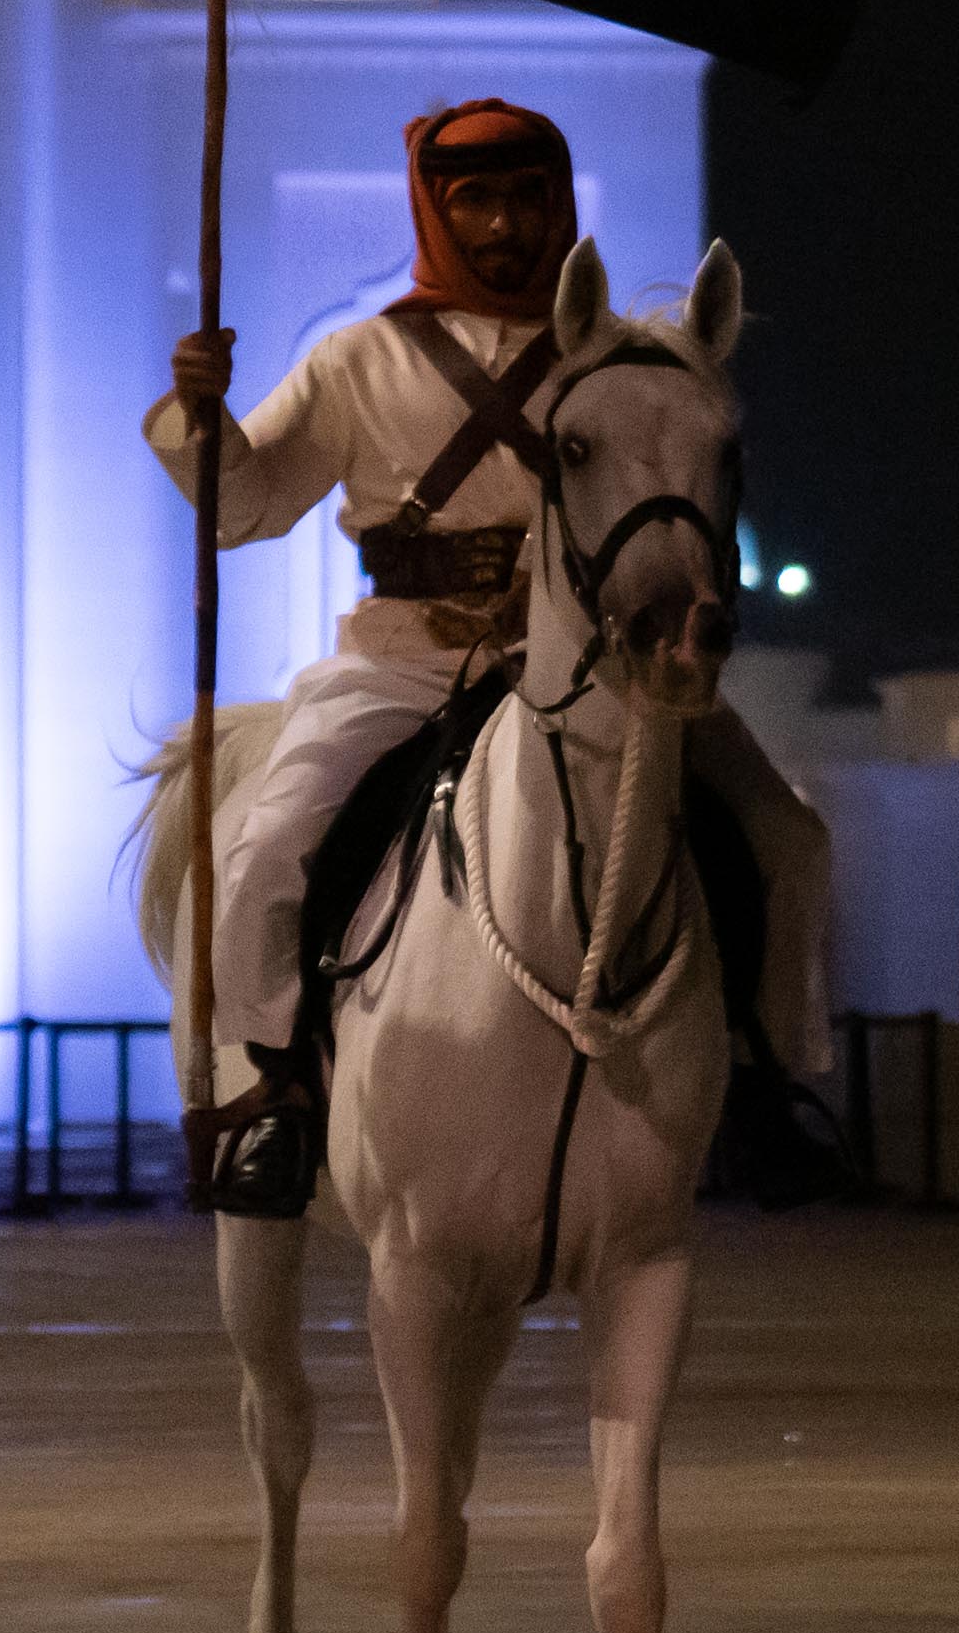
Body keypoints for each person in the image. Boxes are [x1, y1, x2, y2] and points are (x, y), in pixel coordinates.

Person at [153, 99, 840, 1211]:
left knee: (786, 836)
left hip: (587, 669)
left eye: (526, 197)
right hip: (402, 661)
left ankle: (768, 1085)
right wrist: (202, 414)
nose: (505, 223)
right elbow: (247, 506)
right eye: (476, 199)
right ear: (436, 209)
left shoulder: (612, 360)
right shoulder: (358, 358)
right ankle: (279, 1090)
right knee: (264, 851)